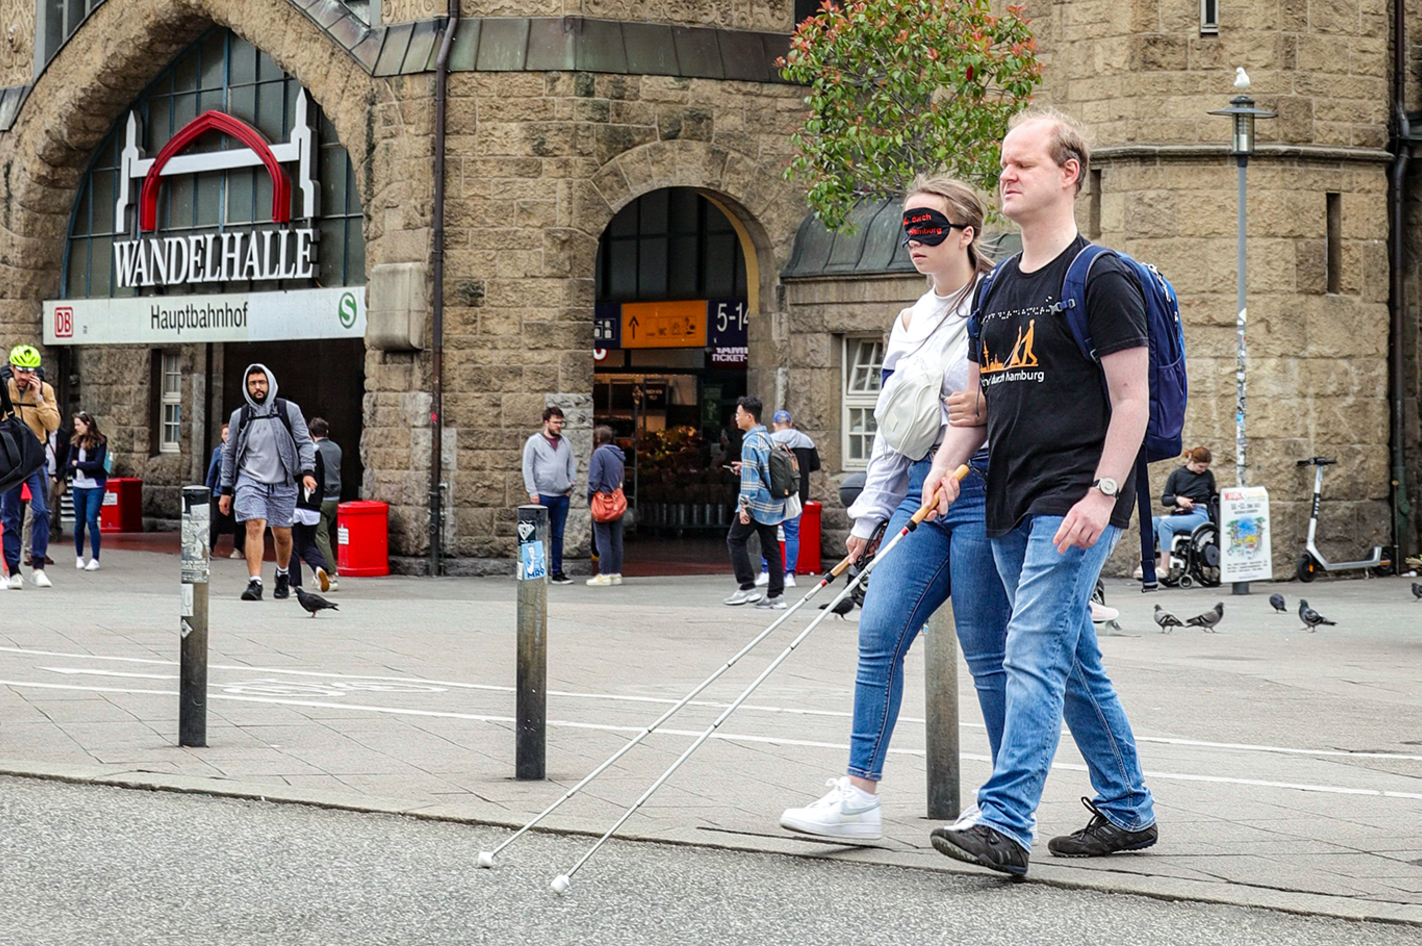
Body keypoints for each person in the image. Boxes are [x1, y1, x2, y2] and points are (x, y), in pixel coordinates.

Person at [921, 106, 1157, 876]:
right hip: (1007, 496)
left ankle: (1006, 819)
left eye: (1023, 163)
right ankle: (1127, 807)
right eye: (1003, 165)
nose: (1008, 176)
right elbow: (983, 405)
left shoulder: (1103, 277)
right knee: (1071, 654)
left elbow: (1133, 401)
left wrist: (1102, 494)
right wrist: (945, 462)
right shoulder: (992, 293)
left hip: (1076, 494)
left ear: (1069, 173)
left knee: (1031, 646)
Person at [778, 177, 1011, 842]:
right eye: (910, 226)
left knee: (985, 650)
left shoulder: (997, 306)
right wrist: (869, 518)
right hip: (918, 486)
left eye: (931, 227)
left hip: (981, 484)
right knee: (877, 635)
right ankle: (858, 796)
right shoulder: (908, 321)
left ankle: (1001, 804)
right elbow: (889, 430)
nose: (916, 238)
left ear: (966, 232)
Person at [218, 364, 318, 602]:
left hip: (282, 482)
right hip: (250, 481)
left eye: (261, 382)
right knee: (254, 525)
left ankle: (282, 574)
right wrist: (226, 490)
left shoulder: (288, 410)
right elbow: (229, 454)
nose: (257, 387)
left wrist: (307, 471)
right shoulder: (239, 416)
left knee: (282, 535)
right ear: (247, 386)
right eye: (253, 383)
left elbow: (305, 443)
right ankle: (255, 582)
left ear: (269, 383)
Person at [2, 344, 60, 589]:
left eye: (30, 371)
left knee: (41, 511)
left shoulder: (44, 390)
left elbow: (54, 423)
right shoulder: (5, 389)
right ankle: (14, 571)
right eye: (20, 371)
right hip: (11, 461)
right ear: (12, 368)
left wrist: (38, 400)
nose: (25, 377)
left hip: (35, 459)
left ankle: (38, 566)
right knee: (10, 515)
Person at [723, 395, 786, 608]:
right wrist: (745, 467)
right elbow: (763, 468)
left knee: (735, 540)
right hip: (773, 501)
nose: (736, 418)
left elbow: (750, 481)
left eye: (739, 414)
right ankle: (776, 595)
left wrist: (744, 506)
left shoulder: (750, 442)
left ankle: (747, 587)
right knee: (771, 548)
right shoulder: (768, 437)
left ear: (749, 416)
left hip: (757, 503)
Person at [756, 410, 820, 588]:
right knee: (792, 533)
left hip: (773, 493)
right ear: (791, 423)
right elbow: (815, 465)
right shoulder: (806, 441)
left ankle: (766, 571)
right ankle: (789, 574)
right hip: (797, 494)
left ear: (775, 425)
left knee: (768, 532)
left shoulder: (769, 440)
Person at [521, 406, 576, 585]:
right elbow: (527, 467)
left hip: (561, 496)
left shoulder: (565, 443)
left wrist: (570, 487)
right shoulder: (534, 442)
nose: (559, 425)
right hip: (542, 495)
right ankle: (534, 571)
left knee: (558, 535)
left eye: (561, 422)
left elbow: (571, 465)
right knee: (537, 535)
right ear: (546, 422)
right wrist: (532, 491)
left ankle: (557, 572)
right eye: (555, 422)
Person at [1149, 446, 1216, 581]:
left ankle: (1164, 567)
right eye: (1200, 466)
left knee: (1166, 525)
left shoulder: (1207, 475)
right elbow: (1165, 499)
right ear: (1191, 461)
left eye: (1205, 467)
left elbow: (1213, 496)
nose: (1203, 470)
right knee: (1150, 523)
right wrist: (1178, 499)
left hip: (1199, 514)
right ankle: (1145, 565)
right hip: (1181, 513)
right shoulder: (1177, 475)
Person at [585, 426, 625, 587]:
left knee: (602, 539)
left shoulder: (599, 453)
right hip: (617, 501)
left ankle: (605, 574)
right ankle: (616, 573)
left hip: (602, 501)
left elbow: (594, 481)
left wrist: (590, 497)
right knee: (616, 538)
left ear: (598, 439)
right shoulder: (618, 455)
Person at [289, 443, 332, 592]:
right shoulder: (316, 453)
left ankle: (294, 583)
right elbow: (322, 478)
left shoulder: (290, 450)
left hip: (293, 503)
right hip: (312, 506)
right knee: (308, 543)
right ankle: (319, 567)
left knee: (291, 544)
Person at [67, 411, 107, 570]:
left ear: (87, 424)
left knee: (91, 519)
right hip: (78, 485)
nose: (76, 428)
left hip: (95, 485)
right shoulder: (75, 442)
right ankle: (79, 556)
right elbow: (69, 464)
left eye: (78, 424)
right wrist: (75, 465)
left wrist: (78, 464)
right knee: (79, 522)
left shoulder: (100, 441)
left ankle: (95, 558)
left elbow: (97, 464)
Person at [310, 417, 343, 591]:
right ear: (327, 432)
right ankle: (319, 571)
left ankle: (331, 574)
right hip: (335, 497)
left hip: (321, 498)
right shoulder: (336, 448)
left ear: (311, 433)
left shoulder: (314, 450)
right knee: (320, 535)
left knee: (320, 536)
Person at [207, 424, 245, 559]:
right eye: (225, 434)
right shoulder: (218, 452)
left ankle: (238, 548)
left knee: (239, 521)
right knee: (217, 520)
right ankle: (209, 547)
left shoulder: (241, 451)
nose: (227, 437)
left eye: (230, 434)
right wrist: (209, 489)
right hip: (220, 490)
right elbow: (212, 472)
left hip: (238, 491)